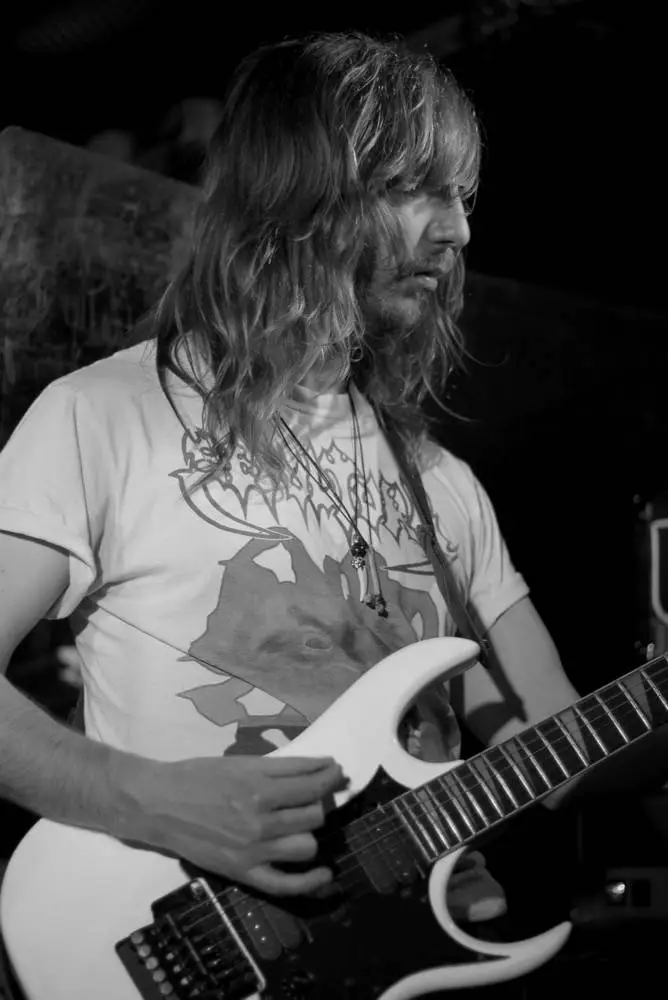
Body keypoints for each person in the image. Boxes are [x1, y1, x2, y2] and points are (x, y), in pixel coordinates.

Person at [0, 30, 666, 967]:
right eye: (418, 189)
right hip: (193, 948)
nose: (459, 232)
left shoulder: (443, 485)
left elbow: (558, 754)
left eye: (463, 197)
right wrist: (154, 801)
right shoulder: (102, 417)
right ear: (300, 198)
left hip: (410, 957)